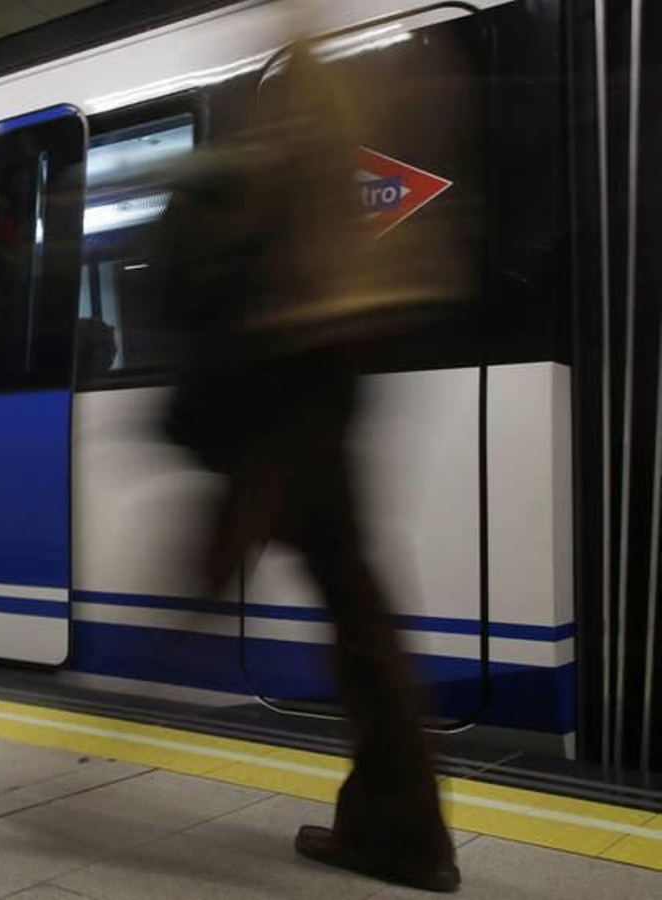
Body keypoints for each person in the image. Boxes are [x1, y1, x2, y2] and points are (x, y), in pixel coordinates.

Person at [153, 46, 462, 893]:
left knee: (322, 605)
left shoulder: (253, 172)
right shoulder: (334, 178)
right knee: (358, 614)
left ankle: (402, 832)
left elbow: (185, 293)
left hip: (275, 408)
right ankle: (401, 829)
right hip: (325, 399)